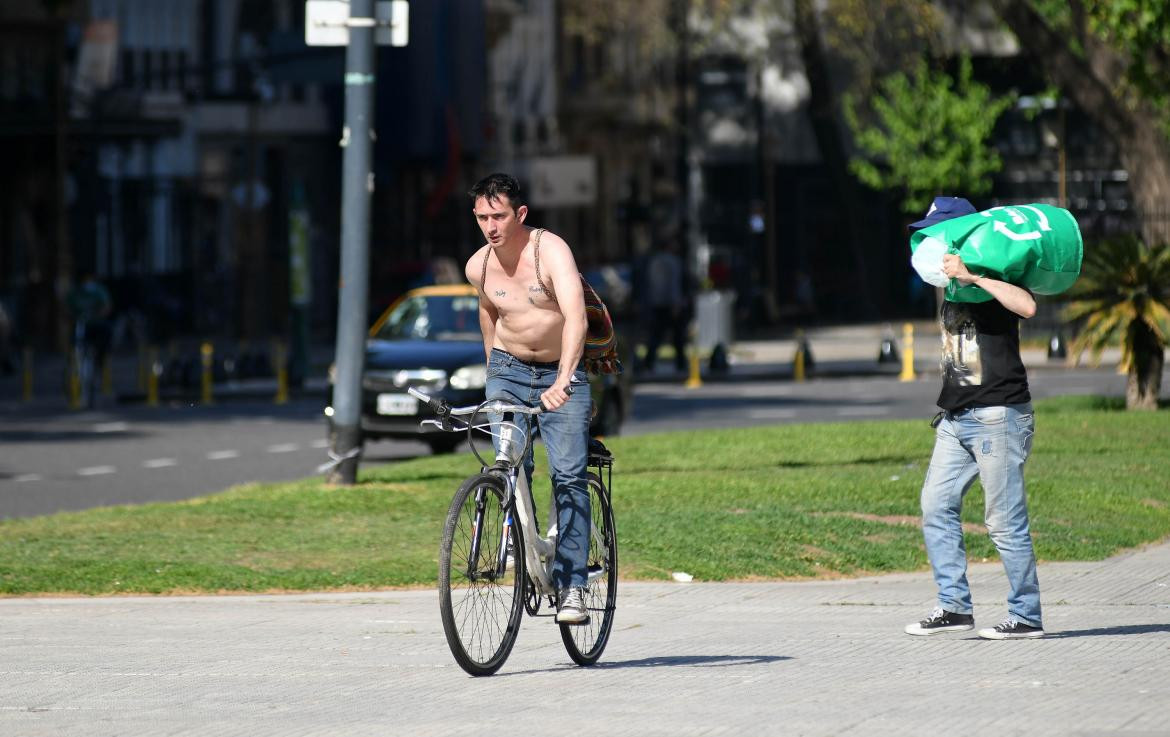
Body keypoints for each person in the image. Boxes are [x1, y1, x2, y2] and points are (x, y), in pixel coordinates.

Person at [903, 196, 1045, 640]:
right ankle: (954, 607)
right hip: (956, 417)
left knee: (1003, 520)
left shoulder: (991, 270)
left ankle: (1026, 616)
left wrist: (973, 275)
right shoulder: (947, 281)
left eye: (941, 232)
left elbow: (1027, 307)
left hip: (998, 415)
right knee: (935, 506)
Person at [464, 173, 593, 625]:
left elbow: (576, 319)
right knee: (507, 461)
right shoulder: (478, 265)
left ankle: (574, 584)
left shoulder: (550, 252)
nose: (490, 226)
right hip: (509, 369)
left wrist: (564, 379)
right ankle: (520, 543)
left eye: (498, 216)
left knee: (570, 475)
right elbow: (489, 312)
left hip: (561, 370)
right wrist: (492, 372)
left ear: (519, 214)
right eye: (481, 217)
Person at [642, 237, 690, 373]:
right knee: (678, 336)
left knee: (656, 335)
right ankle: (680, 363)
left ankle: (649, 362)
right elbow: (674, 284)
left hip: (657, 303)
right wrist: (676, 303)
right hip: (671, 304)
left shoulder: (653, 261)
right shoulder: (673, 261)